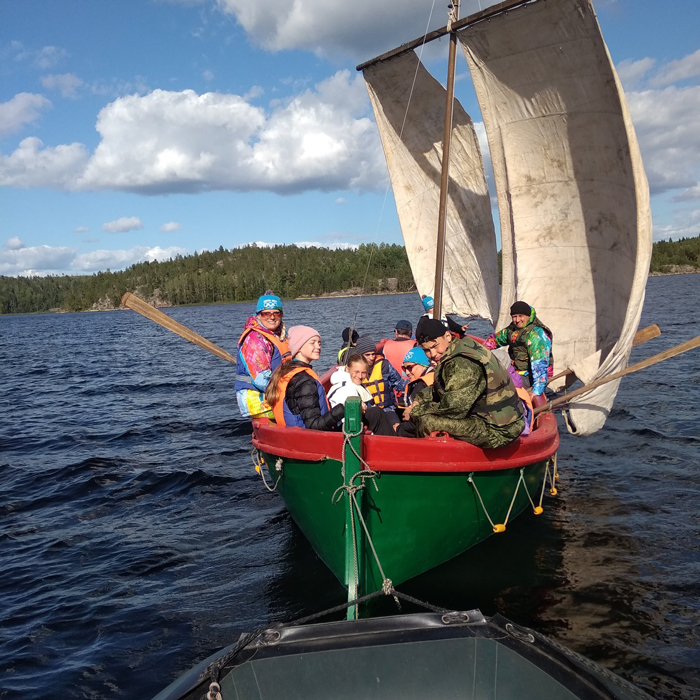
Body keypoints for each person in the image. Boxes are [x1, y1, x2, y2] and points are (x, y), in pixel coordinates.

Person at [405, 317, 525, 448]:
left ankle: (432, 461)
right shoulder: (461, 346)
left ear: (447, 336)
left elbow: (454, 409)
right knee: (427, 412)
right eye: (426, 350)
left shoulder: (462, 362)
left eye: (435, 346)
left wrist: (415, 411)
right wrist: (420, 399)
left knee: (427, 421)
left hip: (499, 430)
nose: (432, 353)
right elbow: (442, 386)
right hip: (492, 419)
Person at [265, 326, 345, 430]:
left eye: (319, 343)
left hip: (293, 437)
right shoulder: (304, 381)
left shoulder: (287, 372)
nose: (318, 346)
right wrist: (345, 409)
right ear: (299, 347)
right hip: (310, 441)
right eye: (313, 343)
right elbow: (314, 426)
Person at [235, 291, 291, 419]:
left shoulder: (277, 335)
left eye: (276, 313)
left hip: (275, 393)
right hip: (258, 401)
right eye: (266, 313)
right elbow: (261, 380)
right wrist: (290, 388)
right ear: (259, 315)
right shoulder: (255, 339)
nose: (272, 317)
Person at [484, 301, 553, 397]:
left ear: (528, 316)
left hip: (530, 376)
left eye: (521, 316)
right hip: (516, 370)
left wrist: (536, 390)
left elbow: (539, 365)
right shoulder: (513, 329)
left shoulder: (536, 335)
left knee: (496, 383)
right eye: (514, 316)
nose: (517, 320)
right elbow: (496, 339)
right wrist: (481, 350)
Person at [353, 335, 406, 411]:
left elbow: (398, 383)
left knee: (396, 423)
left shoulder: (384, 365)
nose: (371, 358)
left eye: (373, 354)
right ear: (359, 356)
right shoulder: (354, 372)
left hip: (388, 408)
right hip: (368, 411)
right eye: (367, 355)